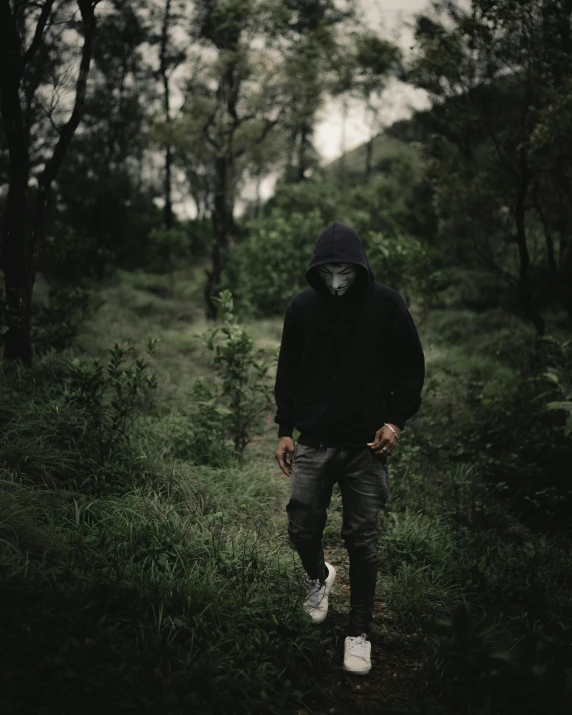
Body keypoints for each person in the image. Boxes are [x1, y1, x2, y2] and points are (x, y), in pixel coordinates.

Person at [273, 221, 425, 675]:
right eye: (328, 273)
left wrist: (395, 422)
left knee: (362, 541)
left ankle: (359, 632)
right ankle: (318, 578)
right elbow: (289, 373)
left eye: (345, 272)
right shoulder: (301, 307)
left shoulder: (388, 304)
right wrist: (285, 428)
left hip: (365, 447)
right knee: (302, 527)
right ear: (316, 270)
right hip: (315, 441)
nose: (336, 282)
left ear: (360, 268)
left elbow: (410, 369)